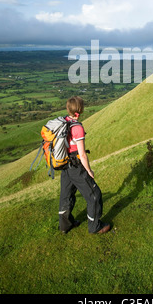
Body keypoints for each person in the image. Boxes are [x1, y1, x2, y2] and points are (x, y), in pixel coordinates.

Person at [58, 96, 110, 235]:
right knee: (94, 195)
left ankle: (65, 226)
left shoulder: (63, 122)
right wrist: (89, 170)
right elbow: (82, 154)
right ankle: (95, 226)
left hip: (65, 165)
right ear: (80, 110)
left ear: (68, 109)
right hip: (76, 166)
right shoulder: (77, 127)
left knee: (66, 196)